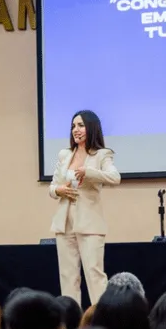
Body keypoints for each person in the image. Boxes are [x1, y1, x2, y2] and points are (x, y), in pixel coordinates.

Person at [48, 110, 121, 306]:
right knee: (68, 277)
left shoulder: (102, 155)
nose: (76, 130)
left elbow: (115, 178)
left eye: (80, 125)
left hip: (89, 222)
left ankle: (103, 322)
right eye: (73, 126)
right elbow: (52, 187)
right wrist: (59, 190)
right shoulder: (65, 155)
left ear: (91, 128)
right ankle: (72, 323)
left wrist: (88, 172)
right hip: (64, 222)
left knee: (94, 275)